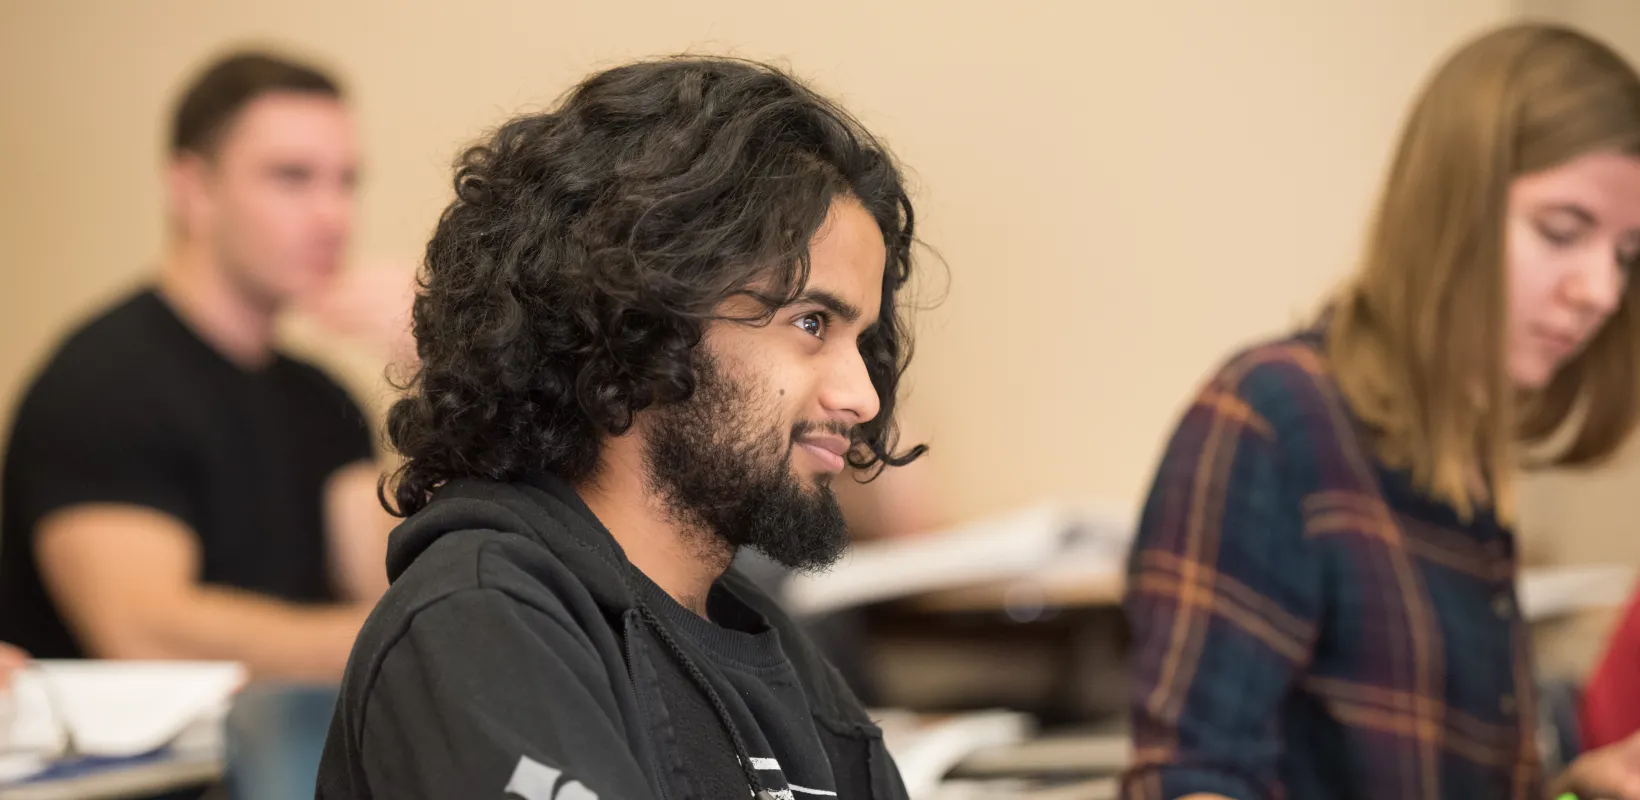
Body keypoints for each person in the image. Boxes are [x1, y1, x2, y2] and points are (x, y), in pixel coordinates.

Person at [316, 56, 922, 799]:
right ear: (640, 322)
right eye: (810, 322)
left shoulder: (776, 650)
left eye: (861, 342)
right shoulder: (481, 626)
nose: (862, 397)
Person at [1122, 23, 1640, 800]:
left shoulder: (1467, 472)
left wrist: (1575, 791)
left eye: (1626, 254)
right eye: (1561, 232)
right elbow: (1192, 781)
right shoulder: (1271, 421)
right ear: (1449, 209)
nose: (1599, 291)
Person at [0, 50, 398, 798]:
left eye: (347, 181)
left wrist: (451, 371)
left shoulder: (322, 396)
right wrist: (398, 636)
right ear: (193, 188)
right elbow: (147, 634)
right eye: (291, 177)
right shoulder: (102, 380)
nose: (333, 214)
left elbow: (395, 579)